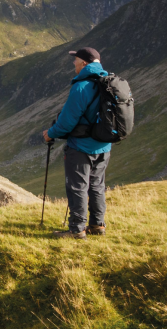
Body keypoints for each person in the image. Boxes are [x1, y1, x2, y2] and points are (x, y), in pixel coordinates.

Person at [41, 47, 112, 239]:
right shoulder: (107, 84)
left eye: (76, 60)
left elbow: (67, 121)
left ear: (85, 64)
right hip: (104, 146)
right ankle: (98, 225)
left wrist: (51, 134)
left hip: (81, 147)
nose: (73, 63)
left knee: (78, 187)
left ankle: (76, 230)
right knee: (96, 185)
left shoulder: (82, 87)